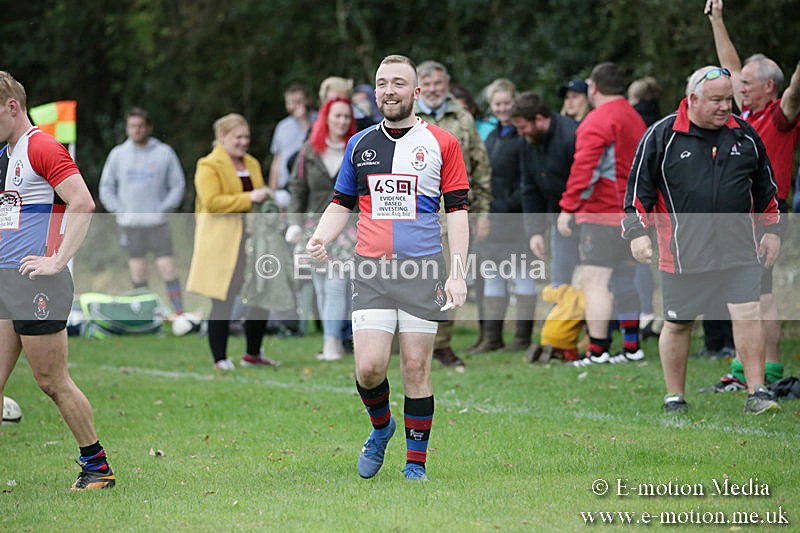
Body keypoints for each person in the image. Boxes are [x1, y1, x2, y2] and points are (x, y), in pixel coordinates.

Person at [306, 55, 469, 481]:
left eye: (398, 83)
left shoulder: (443, 143)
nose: (389, 90)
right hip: (372, 272)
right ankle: (381, 428)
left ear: (415, 92)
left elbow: (457, 212)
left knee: (416, 367)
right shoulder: (359, 145)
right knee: (369, 367)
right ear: (374, 91)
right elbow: (342, 202)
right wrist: (320, 237)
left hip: (423, 272)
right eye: (381, 83)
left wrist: (457, 272)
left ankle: (416, 466)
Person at [623, 65, 782, 415]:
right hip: (682, 254)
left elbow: (766, 189)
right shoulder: (662, 135)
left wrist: (772, 230)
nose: (726, 107)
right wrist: (636, 232)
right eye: (716, 100)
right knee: (678, 324)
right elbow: (638, 191)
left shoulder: (745, 136)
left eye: (729, 99)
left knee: (748, 315)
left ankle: (758, 393)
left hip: (740, 249)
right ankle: (674, 398)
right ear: (692, 99)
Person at [0, 71, 115, 490]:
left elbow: (83, 203)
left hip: (37, 284)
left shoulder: (43, 146)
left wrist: (57, 260)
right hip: (8, 281)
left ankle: (98, 467)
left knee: (51, 381)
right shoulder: (8, 152)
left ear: (12, 106)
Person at [706, 0, 800, 390]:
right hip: (739, 219)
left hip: (766, 218)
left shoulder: (780, 115)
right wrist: (717, 20)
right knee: (744, 295)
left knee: (760, 298)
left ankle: (769, 373)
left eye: (746, 83)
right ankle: (745, 370)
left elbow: (797, 88)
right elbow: (730, 65)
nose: (738, 86)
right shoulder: (744, 114)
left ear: (769, 86)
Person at [557, 62, 646, 366]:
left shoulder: (598, 120)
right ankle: (632, 347)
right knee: (625, 279)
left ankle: (598, 350)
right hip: (632, 216)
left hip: (600, 212)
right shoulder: (636, 118)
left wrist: (567, 207)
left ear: (594, 88)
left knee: (595, 281)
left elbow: (585, 169)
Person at [186, 113, 279, 370]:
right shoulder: (208, 165)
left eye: (246, 136)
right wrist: (250, 198)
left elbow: (261, 198)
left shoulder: (252, 163)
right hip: (223, 244)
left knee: (260, 295)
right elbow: (213, 202)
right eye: (237, 136)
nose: (243, 141)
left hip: (254, 242)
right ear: (222, 137)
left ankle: (253, 354)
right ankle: (220, 358)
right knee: (223, 299)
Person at [415, 59, 492, 369]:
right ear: (419, 86)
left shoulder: (462, 118)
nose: (433, 89)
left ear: (446, 86)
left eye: (438, 83)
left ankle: (442, 345)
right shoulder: (406, 118)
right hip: (412, 215)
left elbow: (481, 166)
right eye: (428, 83)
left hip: (453, 215)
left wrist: (483, 212)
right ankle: (413, 342)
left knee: (450, 278)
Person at [286, 97, 358, 361]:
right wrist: (293, 224)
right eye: (337, 116)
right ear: (326, 118)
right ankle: (334, 338)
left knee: (337, 285)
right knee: (321, 288)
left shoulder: (356, 149)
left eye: (346, 117)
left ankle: (332, 343)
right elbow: (297, 190)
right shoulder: (309, 151)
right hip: (314, 227)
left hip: (347, 228)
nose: (341, 121)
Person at [98, 107, 186, 315]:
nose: (136, 130)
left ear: (148, 127)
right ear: (127, 128)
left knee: (167, 268)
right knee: (138, 272)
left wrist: (163, 209)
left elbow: (178, 185)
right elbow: (106, 187)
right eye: (132, 126)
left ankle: (179, 314)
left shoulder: (164, 153)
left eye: (140, 126)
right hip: (130, 225)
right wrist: (120, 211)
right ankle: (146, 316)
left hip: (157, 224)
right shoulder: (118, 154)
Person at [471, 79, 537, 353]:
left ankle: (521, 338)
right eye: (497, 103)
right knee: (492, 273)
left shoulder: (524, 138)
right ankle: (492, 337)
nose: (501, 108)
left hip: (516, 217)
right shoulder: (492, 135)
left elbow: (528, 180)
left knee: (522, 274)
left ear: (515, 102)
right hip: (491, 217)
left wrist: (507, 206)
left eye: (506, 103)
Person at [268, 83, 315, 209]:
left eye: (299, 101)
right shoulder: (282, 126)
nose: (295, 106)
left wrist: (304, 121)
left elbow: (313, 142)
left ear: (307, 101)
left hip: (309, 185)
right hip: (285, 187)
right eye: (291, 102)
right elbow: (276, 161)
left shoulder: (318, 120)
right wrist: (273, 190)